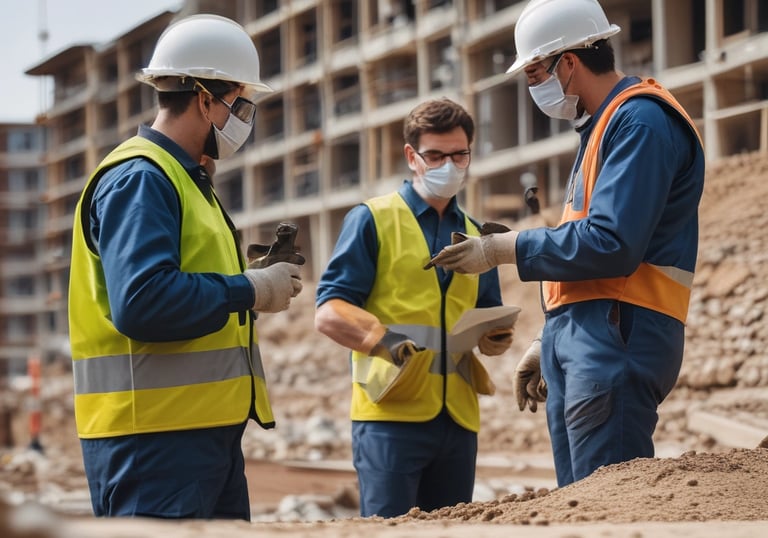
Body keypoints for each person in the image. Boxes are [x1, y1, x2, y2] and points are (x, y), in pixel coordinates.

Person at [429, 0, 706, 487]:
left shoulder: (640, 122)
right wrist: (551, 336)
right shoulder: (602, 127)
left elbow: (611, 242)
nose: (532, 86)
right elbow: (586, 250)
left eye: (535, 73)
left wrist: (501, 250)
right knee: (578, 500)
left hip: (618, 335)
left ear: (569, 62)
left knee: (607, 503)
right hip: (591, 333)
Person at [68, 14, 303, 520]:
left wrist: (251, 280)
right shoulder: (142, 178)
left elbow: (184, 282)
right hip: (153, 445)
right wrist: (249, 289)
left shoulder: (185, 177)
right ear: (204, 99)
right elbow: (142, 301)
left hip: (199, 437)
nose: (245, 119)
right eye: (240, 103)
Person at [314, 98, 516, 518]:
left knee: (451, 528)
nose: (450, 166)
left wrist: (496, 336)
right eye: (436, 156)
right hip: (390, 413)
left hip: (458, 419)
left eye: (459, 155)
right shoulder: (372, 219)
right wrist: (382, 340)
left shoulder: (477, 236)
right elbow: (330, 310)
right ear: (412, 156)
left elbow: (486, 311)